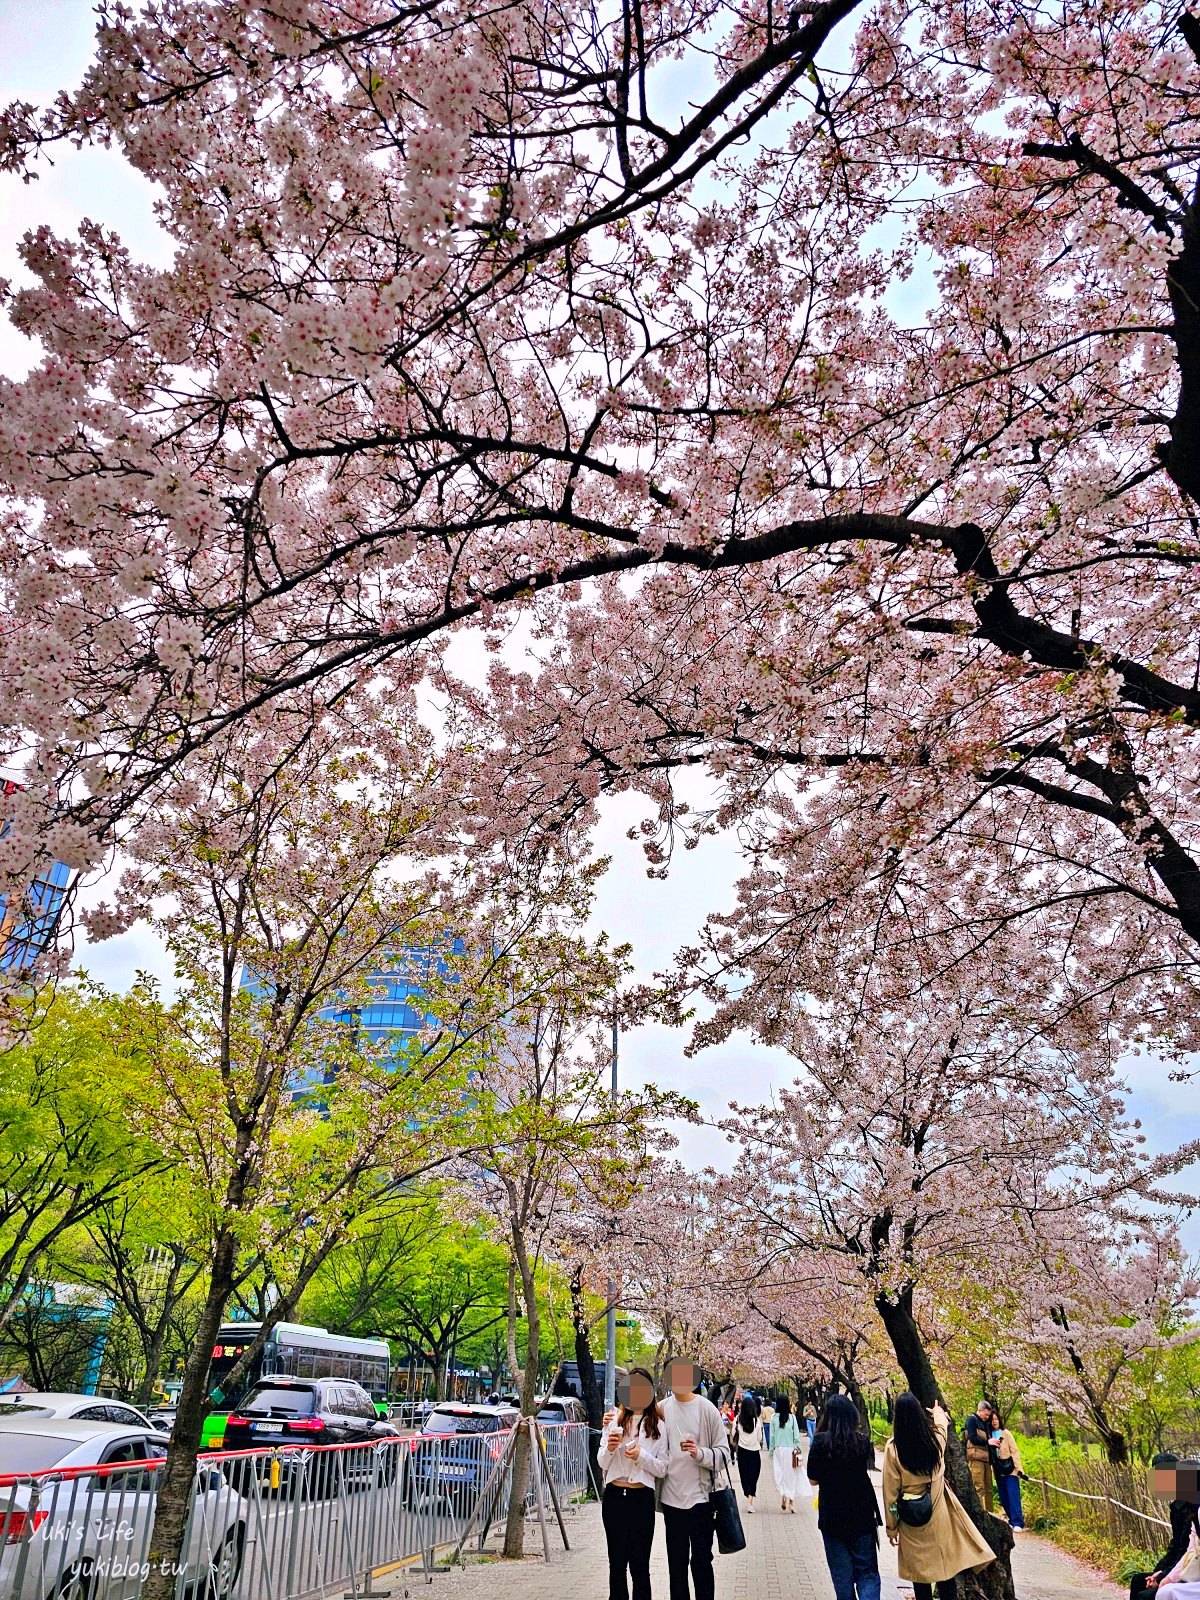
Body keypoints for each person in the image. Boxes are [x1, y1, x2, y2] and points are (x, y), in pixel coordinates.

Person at [882, 1392, 994, 1600]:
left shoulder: (893, 1449)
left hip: (911, 1519)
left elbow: (890, 1492)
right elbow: (943, 1426)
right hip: (938, 1513)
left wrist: (891, 1528)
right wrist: (937, 1412)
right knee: (945, 1570)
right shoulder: (934, 1442)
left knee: (919, 1574)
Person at [659, 1357, 731, 1600]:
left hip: (702, 1499)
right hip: (671, 1499)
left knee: (701, 1561)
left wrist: (700, 1453)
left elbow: (724, 1455)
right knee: (676, 1565)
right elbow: (639, 1431)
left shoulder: (707, 1409)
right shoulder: (661, 1409)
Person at [598, 1368, 669, 1600]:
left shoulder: (658, 1425)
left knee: (640, 1566)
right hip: (615, 1497)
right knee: (616, 1564)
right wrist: (609, 1447)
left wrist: (641, 1456)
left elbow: (662, 1468)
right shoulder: (613, 1420)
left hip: (641, 1499)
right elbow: (601, 1462)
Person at [807, 1394, 883, 1600]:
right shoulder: (862, 1441)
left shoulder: (821, 1442)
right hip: (862, 1515)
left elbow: (813, 1479)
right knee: (867, 1573)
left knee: (842, 1578)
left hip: (833, 1517)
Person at [1132, 1456, 1200, 1600]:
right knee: (1140, 1581)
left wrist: (1165, 1576)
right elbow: (1182, 1548)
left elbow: (1187, 1553)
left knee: (1150, 1595)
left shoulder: (1191, 1507)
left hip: (1193, 1572)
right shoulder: (1181, 1507)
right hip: (1188, 1567)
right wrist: (1160, 1574)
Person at [986, 1408, 1024, 1531]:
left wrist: (1019, 1468)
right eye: (992, 1419)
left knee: (1013, 1495)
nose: (994, 1421)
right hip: (998, 1470)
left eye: (996, 1419)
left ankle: (1018, 1522)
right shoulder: (988, 1435)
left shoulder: (1006, 1433)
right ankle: (1011, 1520)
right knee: (1003, 1496)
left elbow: (1015, 1450)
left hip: (1010, 1468)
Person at [771, 1393, 804, 1513]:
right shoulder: (792, 1418)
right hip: (790, 1450)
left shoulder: (774, 1417)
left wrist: (771, 1451)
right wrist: (799, 1449)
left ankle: (784, 1497)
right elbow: (796, 1436)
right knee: (791, 1476)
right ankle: (791, 1503)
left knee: (781, 1475)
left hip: (778, 1450)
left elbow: (772, 1436)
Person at [734, 1394, 764, 1512]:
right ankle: (750, 1500)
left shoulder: (738, 1419)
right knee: (753, 1476)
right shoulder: (757, 1421)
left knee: (744, 1476)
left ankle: (748, 1495)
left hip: (742, 1452)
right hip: (754, 1452)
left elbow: (733, 1434)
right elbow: (760, 1438)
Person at [962, 1400, 994, 1513]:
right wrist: (988, 1442)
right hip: (975, 1458)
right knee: (979, 1487)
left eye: (988, 1415)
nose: (987, 1417)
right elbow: (972, 1437)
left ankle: (991, 1514)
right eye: (986, 1414)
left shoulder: (985, 1423)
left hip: (986, 1458)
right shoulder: (972, 1420)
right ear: (980, 1410)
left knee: (989, 1488)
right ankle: (981, 1514)